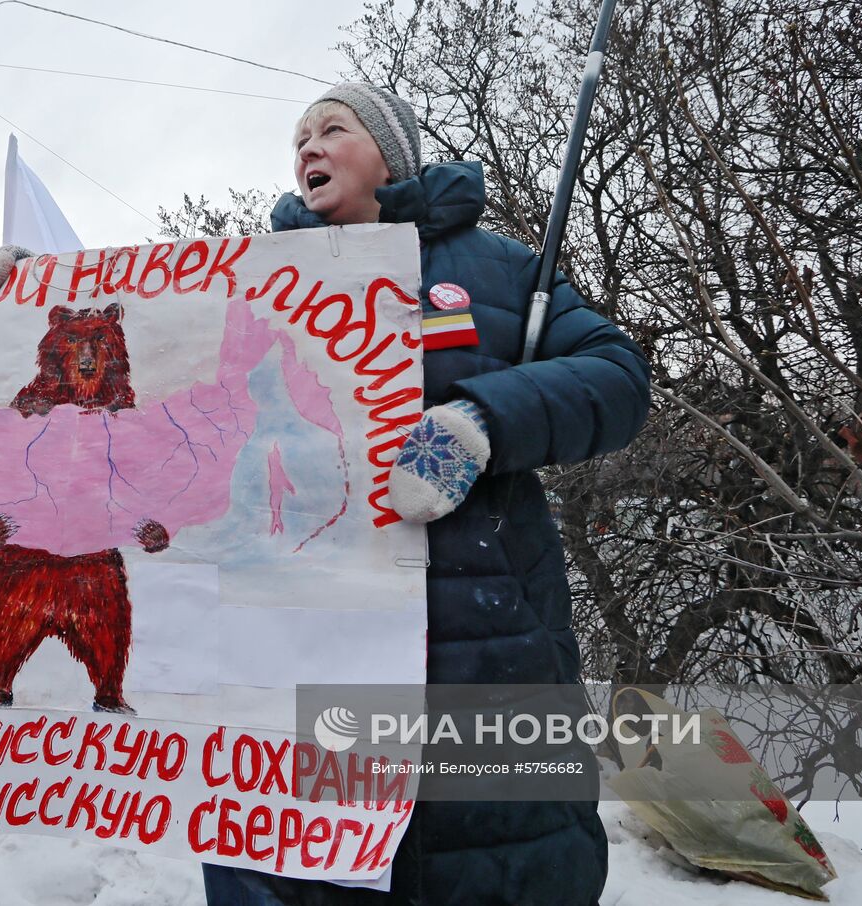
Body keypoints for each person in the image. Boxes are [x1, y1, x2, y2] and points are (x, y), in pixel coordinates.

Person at [200, 83, 652, 904]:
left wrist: (482, 421)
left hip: (484, 649)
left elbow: (617, 380)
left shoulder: (502, 269)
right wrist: (15, 310)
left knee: (487, 861)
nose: (308, 146)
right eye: (299, 135)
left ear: (393, 155)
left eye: (333, 128)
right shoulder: (256, 281)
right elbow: (140, 374)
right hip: (301, 651)